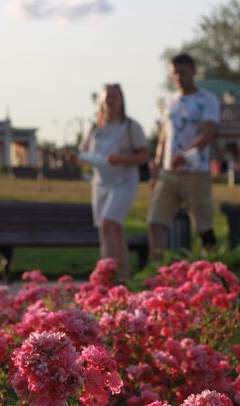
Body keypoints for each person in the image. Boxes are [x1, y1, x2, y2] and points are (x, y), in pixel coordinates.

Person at [148, 53, 220, 261]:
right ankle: (157, 269)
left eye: (183, 72)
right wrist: (158, 165)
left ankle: (212, 270)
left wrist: (185, 154)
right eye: (175, 73)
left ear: (193, 72)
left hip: (196, 172)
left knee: (204, 226)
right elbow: (164, 134)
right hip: (169, 172)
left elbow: (207, 133)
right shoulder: (169, 101)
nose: (179, 77)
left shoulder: (207, 100)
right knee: (156, 221)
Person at [79, 83, 149, 279]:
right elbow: (83, 153)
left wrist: (122, 159)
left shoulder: (130, 126)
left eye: (114, 96)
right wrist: (78, 158)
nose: (110, 100)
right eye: (107, 97)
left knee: (107, 223)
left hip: (124, 181)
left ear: (121, 100)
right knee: (115, 229)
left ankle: (107, 274)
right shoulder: (95, 128)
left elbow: (144, 155)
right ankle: (123, 274)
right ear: (100, 101)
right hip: (101, 183)